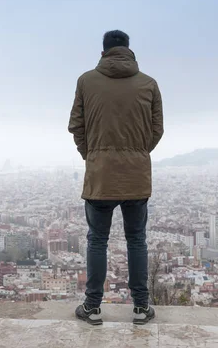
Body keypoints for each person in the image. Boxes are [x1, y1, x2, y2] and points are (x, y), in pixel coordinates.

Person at [69, 30, 164, 325]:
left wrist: (93, 155)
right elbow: (157, 129)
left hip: (100, 176)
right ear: (129, 51)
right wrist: (136, 153)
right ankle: (140, 307)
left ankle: (93, 307)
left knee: (97, 240)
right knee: (137, 240)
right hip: (136, 177)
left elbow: (76, 126)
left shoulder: (86, 81)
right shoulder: (149, 84)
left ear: (103, 53)